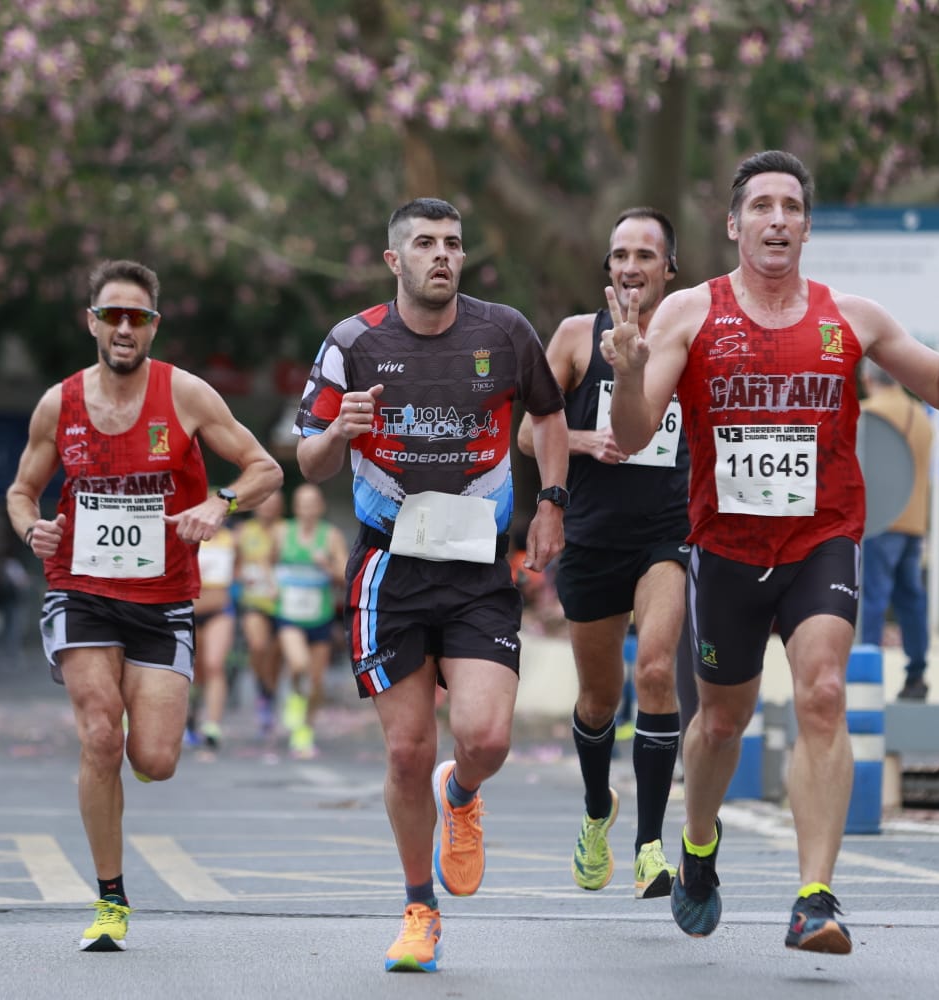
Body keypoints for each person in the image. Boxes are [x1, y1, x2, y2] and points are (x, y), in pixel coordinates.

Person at [603, 150, 939, 952]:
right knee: (720, 724)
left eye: (791, 206)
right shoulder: (689, 314)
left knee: (824, 693)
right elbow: (631, 432)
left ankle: (815, 897)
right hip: (724, 547)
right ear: (734, 226)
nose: (778, 219)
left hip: (822, 536)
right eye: (761, 206)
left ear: (806, 226)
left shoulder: (849, 316)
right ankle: (697, 846)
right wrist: (626, 373)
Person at [295, 197, 568, 973]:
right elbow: (307, 458)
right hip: (391, 570)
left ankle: (464, 792)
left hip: (480, 566)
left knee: (484, 737)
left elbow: (547, 417)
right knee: (408, 751)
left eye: (452, 243)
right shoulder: (351, 342)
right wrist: (339, 433)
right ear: (395, 261)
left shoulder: (506, 332)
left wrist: (552, 499)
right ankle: (420, 908)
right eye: (424, 243)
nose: (441, 255)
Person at [5, 259, 282, 951]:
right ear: (91, 321)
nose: (124, 327)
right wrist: (30, 527)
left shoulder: (186, 395)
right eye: (112, 315)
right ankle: (110, 899)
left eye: (138, 316)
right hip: (81, 588)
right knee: (101, 734)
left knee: (154, 758)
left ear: (154, 326)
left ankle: (120, 835)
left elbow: (266, 470)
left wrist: (219, 505)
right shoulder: (58, 404)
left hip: (162, 598)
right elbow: (20, 491)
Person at [515, 207, 688, 900]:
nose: (630, 266)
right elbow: (531, 433)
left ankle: (650, 845)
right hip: (591, 534)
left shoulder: (689, 335)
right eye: (620, 254)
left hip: (666, 533)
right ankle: (596, 811)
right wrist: (585, 442)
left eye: (646, 254)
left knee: (654, 670)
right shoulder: (574, 337)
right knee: (597, 698)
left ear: (669, 269)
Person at [857, 361, 934, 701]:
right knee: (911, 599)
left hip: (877, 520)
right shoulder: (922, 417)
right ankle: (916, 674)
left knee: (871, 598)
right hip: (913, 522)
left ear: (866, 378)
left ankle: (866, 676)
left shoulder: (865, 415)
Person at [272, 482, 348, 759]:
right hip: (288, 613)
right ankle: (293, 698)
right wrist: (270, 584)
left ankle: (304, 733)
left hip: (320, 616)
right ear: (296, 507)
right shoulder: (282, 533)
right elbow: (268, 563)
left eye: (312, 504)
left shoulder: (330, 536)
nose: (307, 509)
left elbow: (344, 574)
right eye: (302, 504)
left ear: (320, 507)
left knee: (316, 681)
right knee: (298, 663)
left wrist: (326, 566)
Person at [191, 511, 244, 750]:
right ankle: (191, 714)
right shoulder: (189, 537)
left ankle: (212, 725)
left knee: (214, 664)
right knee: (196, 671)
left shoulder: (232, 540)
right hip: (190, 612)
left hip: (220, 611)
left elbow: (240, 568)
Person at [237, 490, 283, 737]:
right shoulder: (244, 532)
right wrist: (240, 576)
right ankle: (262, 689)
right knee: (258, 645)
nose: (268, 508)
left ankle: (269, 694)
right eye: (264, 503)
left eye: (273, 504)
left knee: (276, 656)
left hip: (283, 601)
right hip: (254, 600)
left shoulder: (286, 531)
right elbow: (232, 565)